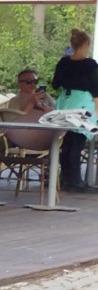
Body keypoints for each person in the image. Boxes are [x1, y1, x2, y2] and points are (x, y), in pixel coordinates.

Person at [50, 29, 98, 191]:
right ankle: (75, 181)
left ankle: (65, 177)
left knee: (66, 142)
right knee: (77, 142)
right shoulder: (90, 65)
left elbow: (55, 84)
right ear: (86, 44)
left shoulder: (63, 62)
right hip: (83, 104)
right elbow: (96, 90)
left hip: (65, 102)